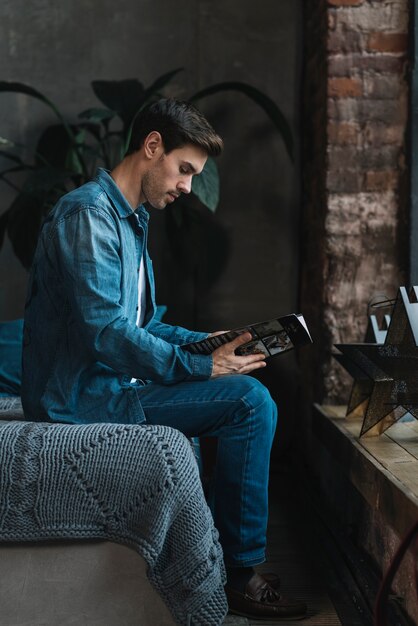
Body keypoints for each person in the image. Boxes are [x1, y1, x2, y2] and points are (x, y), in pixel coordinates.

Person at [22, 98, 307, 621]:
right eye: (184, 170)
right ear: (152, 146)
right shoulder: (87, 215)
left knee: (250, 396)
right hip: (82, 402)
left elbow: (142, 326)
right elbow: (105, 333)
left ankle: (236, 566)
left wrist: (208, 341)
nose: (187, 187)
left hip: (117, 387)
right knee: (248, 403)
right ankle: (239, 574)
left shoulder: (129, 222)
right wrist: (202, 367)